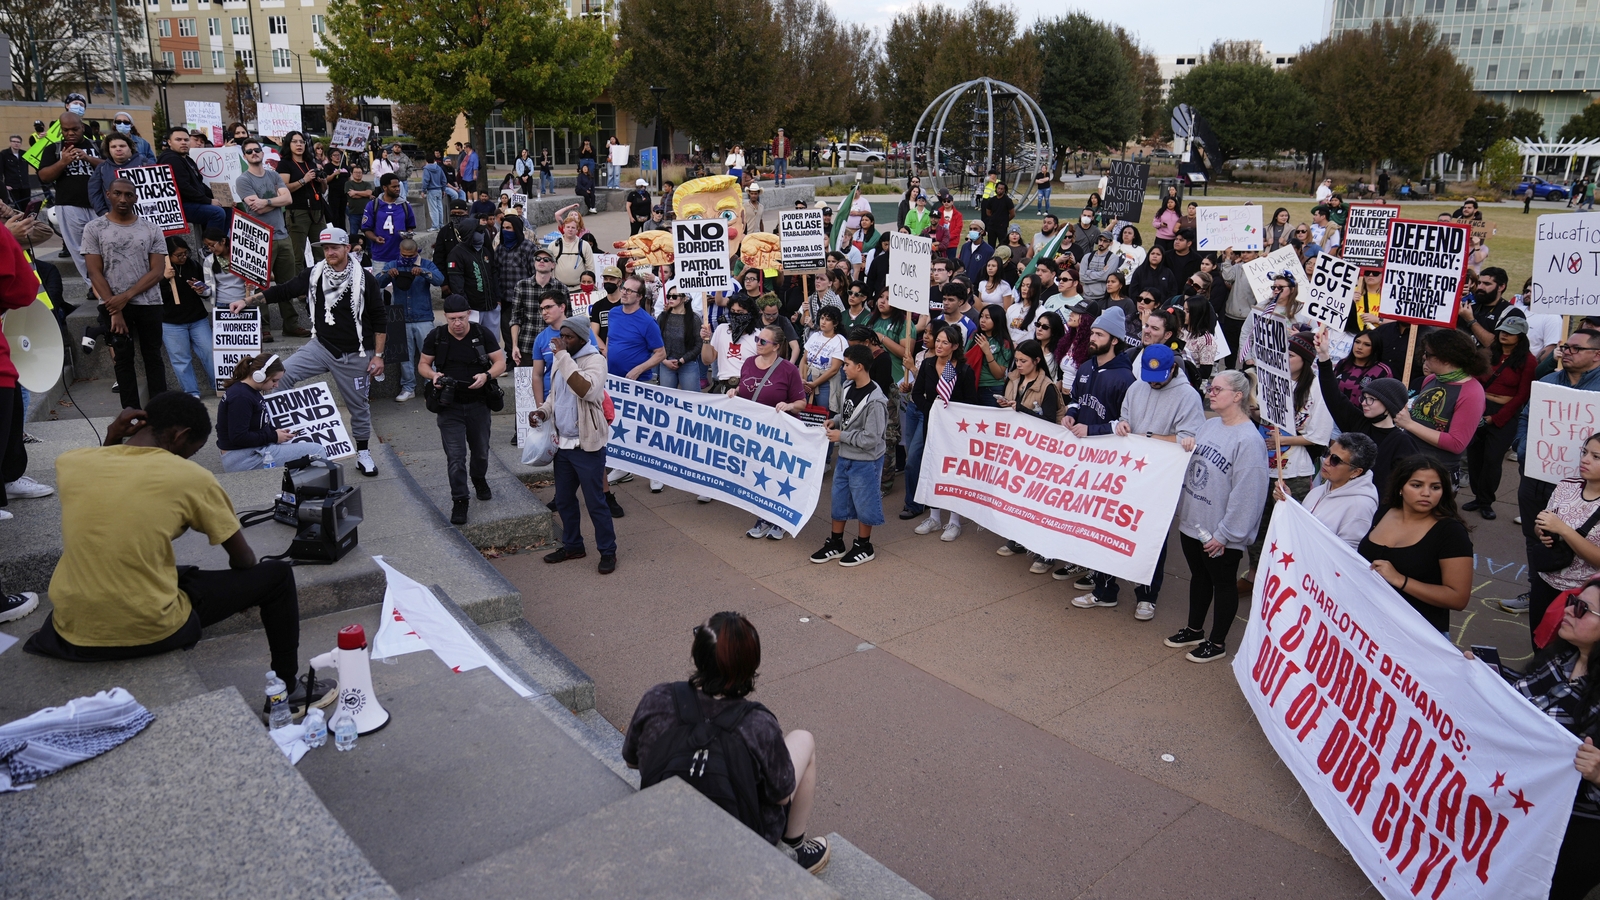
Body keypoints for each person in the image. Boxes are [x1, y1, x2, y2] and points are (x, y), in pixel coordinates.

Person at [24, 395, 334, 716]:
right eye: (194, 451)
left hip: (70, 630)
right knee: (277, 577)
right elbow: (243, 560)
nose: (190, 459)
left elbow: (108, 476)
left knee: (177, 570)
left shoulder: (72, 462)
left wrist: (113, 438)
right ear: (180, 436)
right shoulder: (191, 478)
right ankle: (289, 691)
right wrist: (245, 594)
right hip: (151, 629)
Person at [623, 612, 831, 873]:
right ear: (750, 667)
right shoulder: (759, 724)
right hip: (739, 841)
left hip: (664, 817)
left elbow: (632, 761)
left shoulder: (657, 698)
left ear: (698, 654)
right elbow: (780, 796)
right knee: (804, 739)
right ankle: (796, 848)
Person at [1068, 344, 1204, 619]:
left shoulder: (1188, 396)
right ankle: (1104, 590)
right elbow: (1123, 419)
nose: (1153, 382)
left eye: (1160, 377)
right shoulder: (1137, 386)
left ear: (1174, 369)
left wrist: (1148, 438)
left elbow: (1190, 439)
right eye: (1149, 377)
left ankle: (1147, 596)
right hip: (1128, 472)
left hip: (1160, 479)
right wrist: (1122, 426)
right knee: (1109, 527)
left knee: (1152, 537)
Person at [240, 226, 385, 477]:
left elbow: (380, 319)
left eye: (334, 248)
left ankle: (363, 452)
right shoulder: (315, 273)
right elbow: (282, 290)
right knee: (281, 377)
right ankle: (285, 436)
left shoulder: (365, 278)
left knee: (359, 407)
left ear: (347, 248)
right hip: (321, 346)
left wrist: (379, 356)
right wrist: (247, 301)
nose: (329, 252)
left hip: (356, 352)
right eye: (325, 248)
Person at [1166, 370, 1270, 663]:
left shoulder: (1249, 440)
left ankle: (1217, 642)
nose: (1210, 393)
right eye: (1210, 388)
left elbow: (1248, 494)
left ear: (1237, 396)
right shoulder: (1210, 426)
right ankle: (1194, 629)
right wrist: (1186, 443)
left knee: (1223, 584)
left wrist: (1227, 535)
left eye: (1216, 389)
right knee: (1199, 577)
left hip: (1220, 533)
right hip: (1193, 521)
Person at [1513, 329, 1600, 618]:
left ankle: (1582, 604)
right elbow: (1526, 417)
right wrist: (1524, 449)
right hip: (1536, 477)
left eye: (1576, 348)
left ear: (1596, 355)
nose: (1567, 351)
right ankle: (1537, 587)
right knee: (1536, 535)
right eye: (1565, 346)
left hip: (1582, 486)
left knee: (1577, 541)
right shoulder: (1548, 381)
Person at [529, 315, 617, 574]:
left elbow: (586, 390)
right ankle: (573, 546)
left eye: (569, 337)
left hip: (587, 446)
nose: (563, 341)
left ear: (582, 338)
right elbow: (555, 396)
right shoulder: (561, 360)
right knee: (565, 500)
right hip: (563, 447)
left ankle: (608, 551)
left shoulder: (595, 360)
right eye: (562, 336)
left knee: (595, 502)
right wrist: (543, 412)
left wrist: (563, 357)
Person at [417, 295, 506, 524]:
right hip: (449, 406)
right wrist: (433, 375)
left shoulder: (481, 333)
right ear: (445, 317)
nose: (457, 323)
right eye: (452, 319)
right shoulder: (436, 336)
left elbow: (500, 362)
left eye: (461, 318)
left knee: (481, 452)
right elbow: (423, 364)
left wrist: (486, 375)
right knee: (455, 458)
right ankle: (460, 500)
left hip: (479, 403)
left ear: (468, 314)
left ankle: (479, 478)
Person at [1360, 455, 1473, 634]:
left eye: (1435, 487)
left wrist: (1400, 580)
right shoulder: (1385, 511)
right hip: (1368, 624)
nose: (1426, 493)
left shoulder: (1450, 532)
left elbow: (1458, 598)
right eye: (1416, 485)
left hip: (1416, 636)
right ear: (1400, 488)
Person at [84, 178, 167, 410]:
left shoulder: (151, 229)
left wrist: (126, 296)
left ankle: (159, 412)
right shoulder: (94, 228)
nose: (123, 199)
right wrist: (115, 308)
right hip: (112, 305)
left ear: (135, 198)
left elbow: (158, 271)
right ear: (108, 194)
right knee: (123, 360)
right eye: (117, 193)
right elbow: (94, 271)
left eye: (128, 195)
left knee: (153, 358)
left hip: (149, 303)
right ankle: (130, 415)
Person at [811, 344, 888, 567]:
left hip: (866, 462)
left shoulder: (876, 401)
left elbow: (872, 438)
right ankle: (836, 542)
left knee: (865, 503)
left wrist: (841, 435)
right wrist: (835, 421)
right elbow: (846, 414)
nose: (843, 368)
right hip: (845, 457)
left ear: (860, 366)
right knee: (839, 501)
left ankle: (864, 545)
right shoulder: (847, 386)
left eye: (846, 364)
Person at [734, 324, 807, 539]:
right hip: (754, 430)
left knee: (777, 474)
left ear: (776, 346)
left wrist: (789, 406)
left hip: (780, 432)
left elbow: (801, 402)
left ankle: (779, 520)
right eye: (757, 339)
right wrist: (734, 391)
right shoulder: (748, 363)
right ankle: (763, 517)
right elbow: (745, 389)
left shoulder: (788, 369)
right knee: (758, 474)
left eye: (763, 341)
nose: (758, 343)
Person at [1462, 316, 1536, 520]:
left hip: (1505, 412)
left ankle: (1486, 501)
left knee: (1493, 458)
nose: (1504, 334)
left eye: (1510, 332)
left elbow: (1522, 395)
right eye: (1502, 330)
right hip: (1480, 406)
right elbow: (1473, 379)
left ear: (1520, 337)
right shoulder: (1487, 353)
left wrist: (1496, 418)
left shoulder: (1528, 361)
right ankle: (1478, 496)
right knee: (1475, 455)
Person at [234, 138, 308, 340]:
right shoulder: (243, 180)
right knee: (260, 284)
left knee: (288, 283)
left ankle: (291, 325)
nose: (254, 153)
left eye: (257, 149)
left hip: (282, 236)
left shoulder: (274, 174)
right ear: (245, 156)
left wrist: (266, 201)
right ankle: (263, 327)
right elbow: (253, 208)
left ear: (262, 152)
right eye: (249, 151)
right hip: (259, 238)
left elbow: (288, 199)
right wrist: (277, 201)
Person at [909, 324, 978, 539]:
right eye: (937, 341)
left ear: (955, 346)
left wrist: (950, 414)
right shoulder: (928, 364)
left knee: (954, 472)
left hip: (957, 430)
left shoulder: (964, 370)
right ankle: (934, 517)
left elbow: (971, 402)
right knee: (932, 467)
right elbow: (917, 394)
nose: (939, 345)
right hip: (932, 424)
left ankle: (954, 522)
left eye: (944, 342)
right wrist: (933, 410)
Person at [1394, 328, 1487, 478]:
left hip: (1437, 471)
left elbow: (1457, 444)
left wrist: (1409, 424)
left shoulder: (1472, 393)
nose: (1424, 357)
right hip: (1409, 460)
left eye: (1429, 354)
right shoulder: (1431, 379)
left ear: (1446, 358)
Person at [215, 352, 328, 472]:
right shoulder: (241, 397)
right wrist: (274, 436)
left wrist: (274, 432)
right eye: (274, 380)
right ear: (260, 375)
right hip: (243, 458)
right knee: (316, 451)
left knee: (302, 460)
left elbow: (253, 426)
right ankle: (325, 488)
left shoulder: (248, 391)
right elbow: (238, 437)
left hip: (247, 452)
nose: (276, 385)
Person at [375, 237, 445, 403]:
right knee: (404, 357)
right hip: (400, 318)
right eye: (404, 255)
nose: (407, 258)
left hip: (423, 316)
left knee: (428, 354)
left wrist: (423, 272)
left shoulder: (426, 264)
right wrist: (387, 275)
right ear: (400, 252)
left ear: (417, 252)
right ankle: (408, 387)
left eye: (411, 255)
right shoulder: (393, 264)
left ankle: (433, 385)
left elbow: (440, 280)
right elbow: (377, 282)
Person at [36, 112, 100, 283]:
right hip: (69, 205)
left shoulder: (97, 145)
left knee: (104, 246)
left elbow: (112, 167)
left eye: (75, 129)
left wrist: (88, 158)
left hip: (99, 205)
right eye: (66, 130)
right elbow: (44, 176)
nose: (71, 133)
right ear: (61, 131)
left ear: (82, 127)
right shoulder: (53, 149)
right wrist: (63, 162)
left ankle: (108, 281)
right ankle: (93, 285)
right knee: (79, 249)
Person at [1288, 432, 1380, 548]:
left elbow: (1347, 554)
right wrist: (1289, 501)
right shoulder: (1320, 490)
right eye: (1327, 453)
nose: (1326, 461)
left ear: (1356, 472)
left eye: (1335, 460)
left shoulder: (1360, 506)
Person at [156, 238, 215, 398]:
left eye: (185, 253)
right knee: (181, 360)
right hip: (171, 323)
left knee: (210, 351)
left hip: (197, 319)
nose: (183, 257)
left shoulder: (193, 265)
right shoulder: (159, 268)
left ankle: (219, 385)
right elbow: (154, 296)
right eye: (178, 255)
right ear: (168, 255)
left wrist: (202, 289)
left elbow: (206, 289)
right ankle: (191, 393)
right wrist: (163, 279)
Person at [276, 132, 329, 272]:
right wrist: (303, 180)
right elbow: (283, 188)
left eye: (302, 142)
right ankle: (298, 288)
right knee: (297, 253)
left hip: (317, 210)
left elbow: (323, 190)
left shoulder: (311, 162)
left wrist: (323, 181)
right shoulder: (284, 164)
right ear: (288, 144)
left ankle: (321, 282)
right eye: (295, 142)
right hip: (297, 211)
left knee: (321, 250)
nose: (299, 144)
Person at [361, 173, 418, 275]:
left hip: (402, 255)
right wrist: (375, 238)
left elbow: (410, 226)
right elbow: (366, 229)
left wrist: (408, 235)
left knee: (401, 286)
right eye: (394, 187)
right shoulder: (373, 205)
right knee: (379, 287)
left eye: (398, 186)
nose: (397, 189)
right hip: (380, 255)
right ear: (385, 188)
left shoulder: (405, 205)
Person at [655, 285, 702, 391]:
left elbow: (699, 344)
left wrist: (682, 360)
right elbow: (656, 341)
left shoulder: (694, 319)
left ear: (685, 298)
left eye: (674, 296)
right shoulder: (662, 317)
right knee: (667, 401)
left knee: (692, 400)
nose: (670, 299)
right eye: (669, 296)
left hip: (688, 364)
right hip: (666, 364)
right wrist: (664, 360)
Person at [1330, 330, 1392, 405]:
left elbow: (1386, 401)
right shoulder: (1342, 363)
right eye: (1357, 342)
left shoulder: (1382, 371)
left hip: (1362, 415)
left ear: (1375, 348)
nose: (1359, 347)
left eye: (1367, 344)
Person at [970, 303, 1014, 406]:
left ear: (997, 320)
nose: (982, 320)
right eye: (981, 316)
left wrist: (987, 352)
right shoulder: (975, 335)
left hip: (992, 389)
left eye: (987, 317)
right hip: (972, 385)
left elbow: (999, 375)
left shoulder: (1005, 343)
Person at [980, 181, 1015, 247]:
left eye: (1002, 189)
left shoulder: (1007, 201)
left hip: (1002, 227)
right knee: (990, 245)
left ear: (1004, 190)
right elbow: (988, 212)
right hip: (992, 226)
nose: (999, 190)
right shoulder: (992, 200)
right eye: (998, 188)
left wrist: (1005, 220)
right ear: (996, 189)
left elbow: (1012, 214)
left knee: (1003, 245)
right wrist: (994, 218)